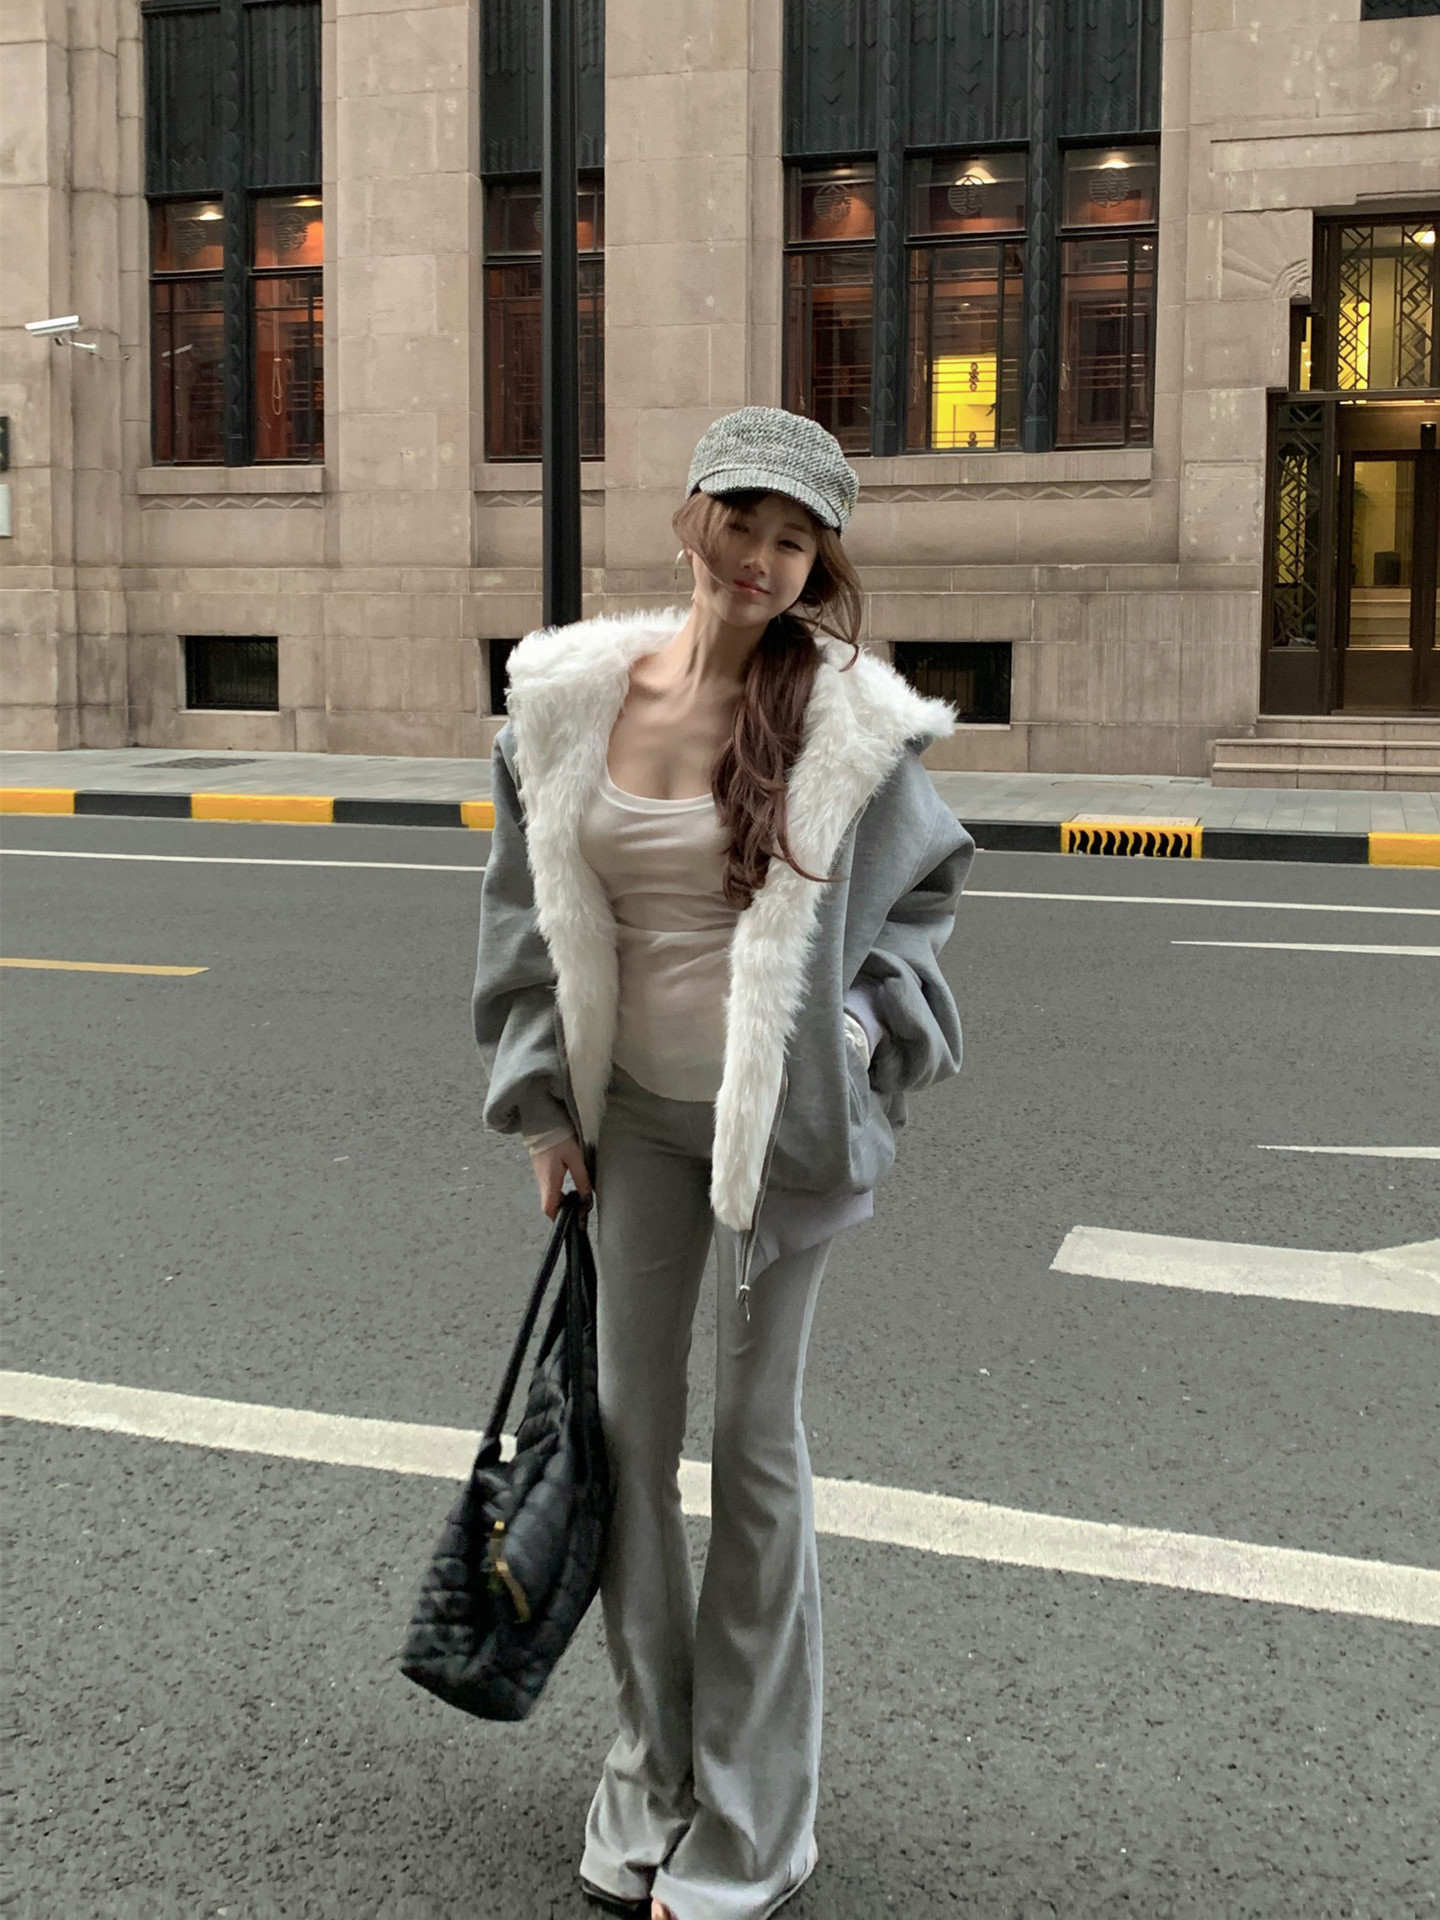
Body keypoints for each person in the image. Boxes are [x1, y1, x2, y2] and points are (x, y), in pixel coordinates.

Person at [472, 405, 975, 1920]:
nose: (762, 557)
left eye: (795, 539)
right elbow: (524, 916)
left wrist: (854, 1046)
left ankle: (757, 1816)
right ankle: (653, 1771)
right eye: (744, 522)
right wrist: (543, 1113)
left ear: (819, 563)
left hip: (783, 1139)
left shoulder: (845, 725)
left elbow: (921, 910)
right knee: (629, 1439)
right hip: (629, 1120)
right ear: (692, 517)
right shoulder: (565, 702)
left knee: (755, 1452)